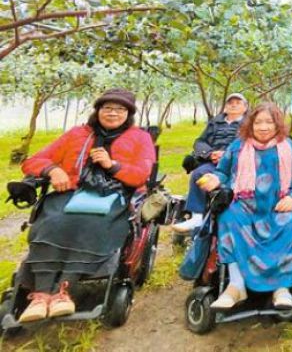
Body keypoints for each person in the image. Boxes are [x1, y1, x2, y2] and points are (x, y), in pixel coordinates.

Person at [18, 89, 155, 322]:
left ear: (129, 114)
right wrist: (53, 170)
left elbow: (142, 175)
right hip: (70, 192)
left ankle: (63, 292)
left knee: (88, 223)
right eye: (107, 108)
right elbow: (32, 161)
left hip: (114, 195)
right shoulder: (77, 134)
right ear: (98, 110)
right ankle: (41, 295)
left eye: (120, 109)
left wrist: (113, 165)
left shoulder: (140, 137)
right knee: (51, 222)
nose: (113, 113)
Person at [197, 103, 292, 310]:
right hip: (246, 206)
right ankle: (236, 286)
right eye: (258, 122)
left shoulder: (288, 146)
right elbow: (223, 171)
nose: (263, 127)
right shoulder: (239, 146)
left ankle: (282, 288)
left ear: (278, 124)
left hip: (278, 205)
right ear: (250, 124)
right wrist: (214, 178)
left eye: (269, 122)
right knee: (228, 218)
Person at [173, 93, 248, 233]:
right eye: (230, 102)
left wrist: (227, 155)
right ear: (225, 107)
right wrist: (209, 153)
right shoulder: (214, 122)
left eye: (238, 102)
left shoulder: (249, 124)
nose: (233, 105)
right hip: (213, 162)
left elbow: (250, 144)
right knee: (198, 174)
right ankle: (196, 216)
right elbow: (200, 142)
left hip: (238, 163)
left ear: (245, 108)